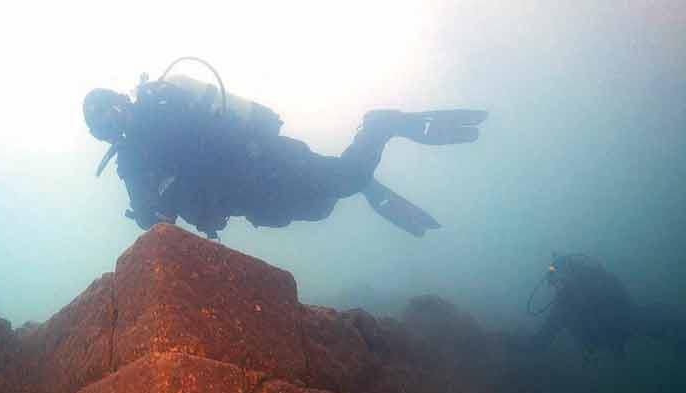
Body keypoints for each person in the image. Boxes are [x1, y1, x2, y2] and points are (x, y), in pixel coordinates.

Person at [83, 58, 488, 239]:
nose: (112, 125)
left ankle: (379, 126)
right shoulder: (132, 160)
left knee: (343, 183)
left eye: (110, 113)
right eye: (102, 126)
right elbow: (154, 219)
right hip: (251, 198)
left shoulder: (163, 105)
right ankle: (360, 180)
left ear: (123, 99)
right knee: (322, 208)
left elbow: (202, 146)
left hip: (267, 162)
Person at [527, 253, 685, 362]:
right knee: (655, 323)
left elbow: (543, 338)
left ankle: (679, 333)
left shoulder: (585, 289)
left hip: (622, 324)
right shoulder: (564, 303)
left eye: (557, 281)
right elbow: (544, 337)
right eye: (554, 282)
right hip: (621, 327)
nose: (557, 287)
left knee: (657, 322)